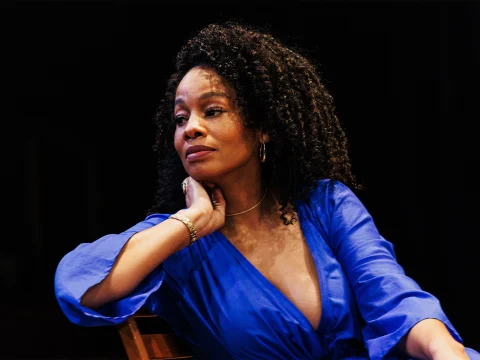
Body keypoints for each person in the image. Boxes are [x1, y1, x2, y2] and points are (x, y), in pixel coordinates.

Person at [54, 22, 479, 360]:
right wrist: (190, 223)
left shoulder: (325, 205)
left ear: (264, 128)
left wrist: (446, 351)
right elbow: (79, 287)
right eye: (180, 119)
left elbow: (395, 299)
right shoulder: (179, 244)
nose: (191, 128)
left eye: (212, 110)